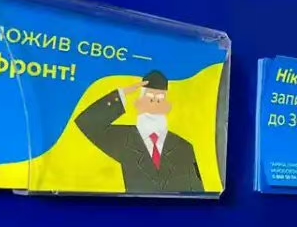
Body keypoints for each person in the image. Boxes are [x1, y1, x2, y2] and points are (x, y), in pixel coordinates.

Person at [74, 71, 204, 193]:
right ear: (138, 103)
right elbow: (88, 123)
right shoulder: (125, 139)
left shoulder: (184, 147)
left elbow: (197, 193)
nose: (154, 104)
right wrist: (121, 95)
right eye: (149, 98)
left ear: (167, 106)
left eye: (159, 99)